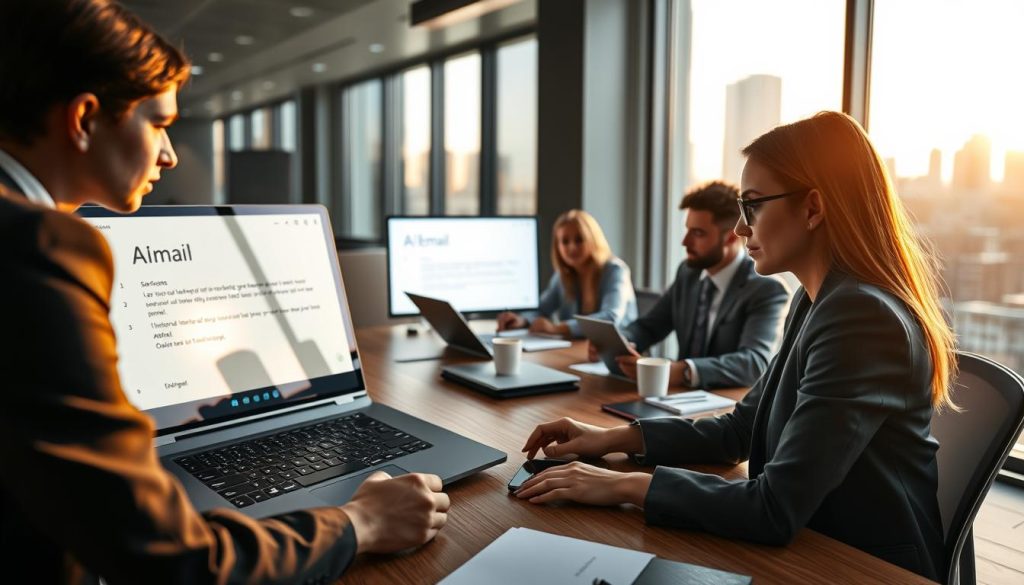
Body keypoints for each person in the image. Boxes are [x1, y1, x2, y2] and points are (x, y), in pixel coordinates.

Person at [0, 2, 448, 583]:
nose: (171, 153)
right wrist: (361, 522)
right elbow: (169, 560)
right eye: (158, 122)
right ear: (84, 118)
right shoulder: (37, 247)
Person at [514, 111, 954, 581]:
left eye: (753, 206)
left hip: (859, 567)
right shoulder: (816, 303)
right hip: (813, 543)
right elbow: (740, 430)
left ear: (812, 208)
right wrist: (613, 438)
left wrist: (624, 485)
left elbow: (773, 506)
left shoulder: (859, 318)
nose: (742, 229)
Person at [601, 181, 789, 389]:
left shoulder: (766, 289)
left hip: (728, 407)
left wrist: (683, 371)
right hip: (678, 400)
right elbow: (649, 327)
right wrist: (621, 343)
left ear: (730, 238)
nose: (685, 242)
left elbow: (754, 363)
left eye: (698, 233)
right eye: (687, 230)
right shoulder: (688, 273)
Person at [497, 209, 637, 338]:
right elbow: (543, 309)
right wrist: (522, 320)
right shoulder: (563, 275)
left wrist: (558, 328)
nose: (572, 247)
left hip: (618, 352)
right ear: (557, 247)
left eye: (579, 240)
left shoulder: (616, 270)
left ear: (592, 240)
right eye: (565, 241)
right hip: (578, 349)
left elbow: (611, 317)